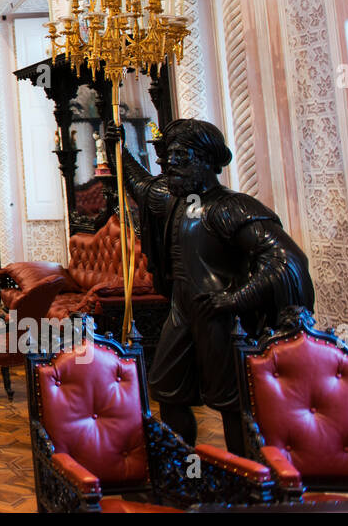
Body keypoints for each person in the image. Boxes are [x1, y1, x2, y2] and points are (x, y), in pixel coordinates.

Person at [105, 118, 313, 455]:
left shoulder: (230, 207)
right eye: (169, 156)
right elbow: (142, 186)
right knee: (167, 389)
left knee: (232, 402)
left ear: (206, 161)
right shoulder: (176, 199)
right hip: (182, 310)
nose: (171, 163)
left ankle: (245, 476)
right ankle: (183, 468)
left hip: (222, 318)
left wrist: (235, 299)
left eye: (181, 156)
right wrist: (120, 147)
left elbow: (285, 259)